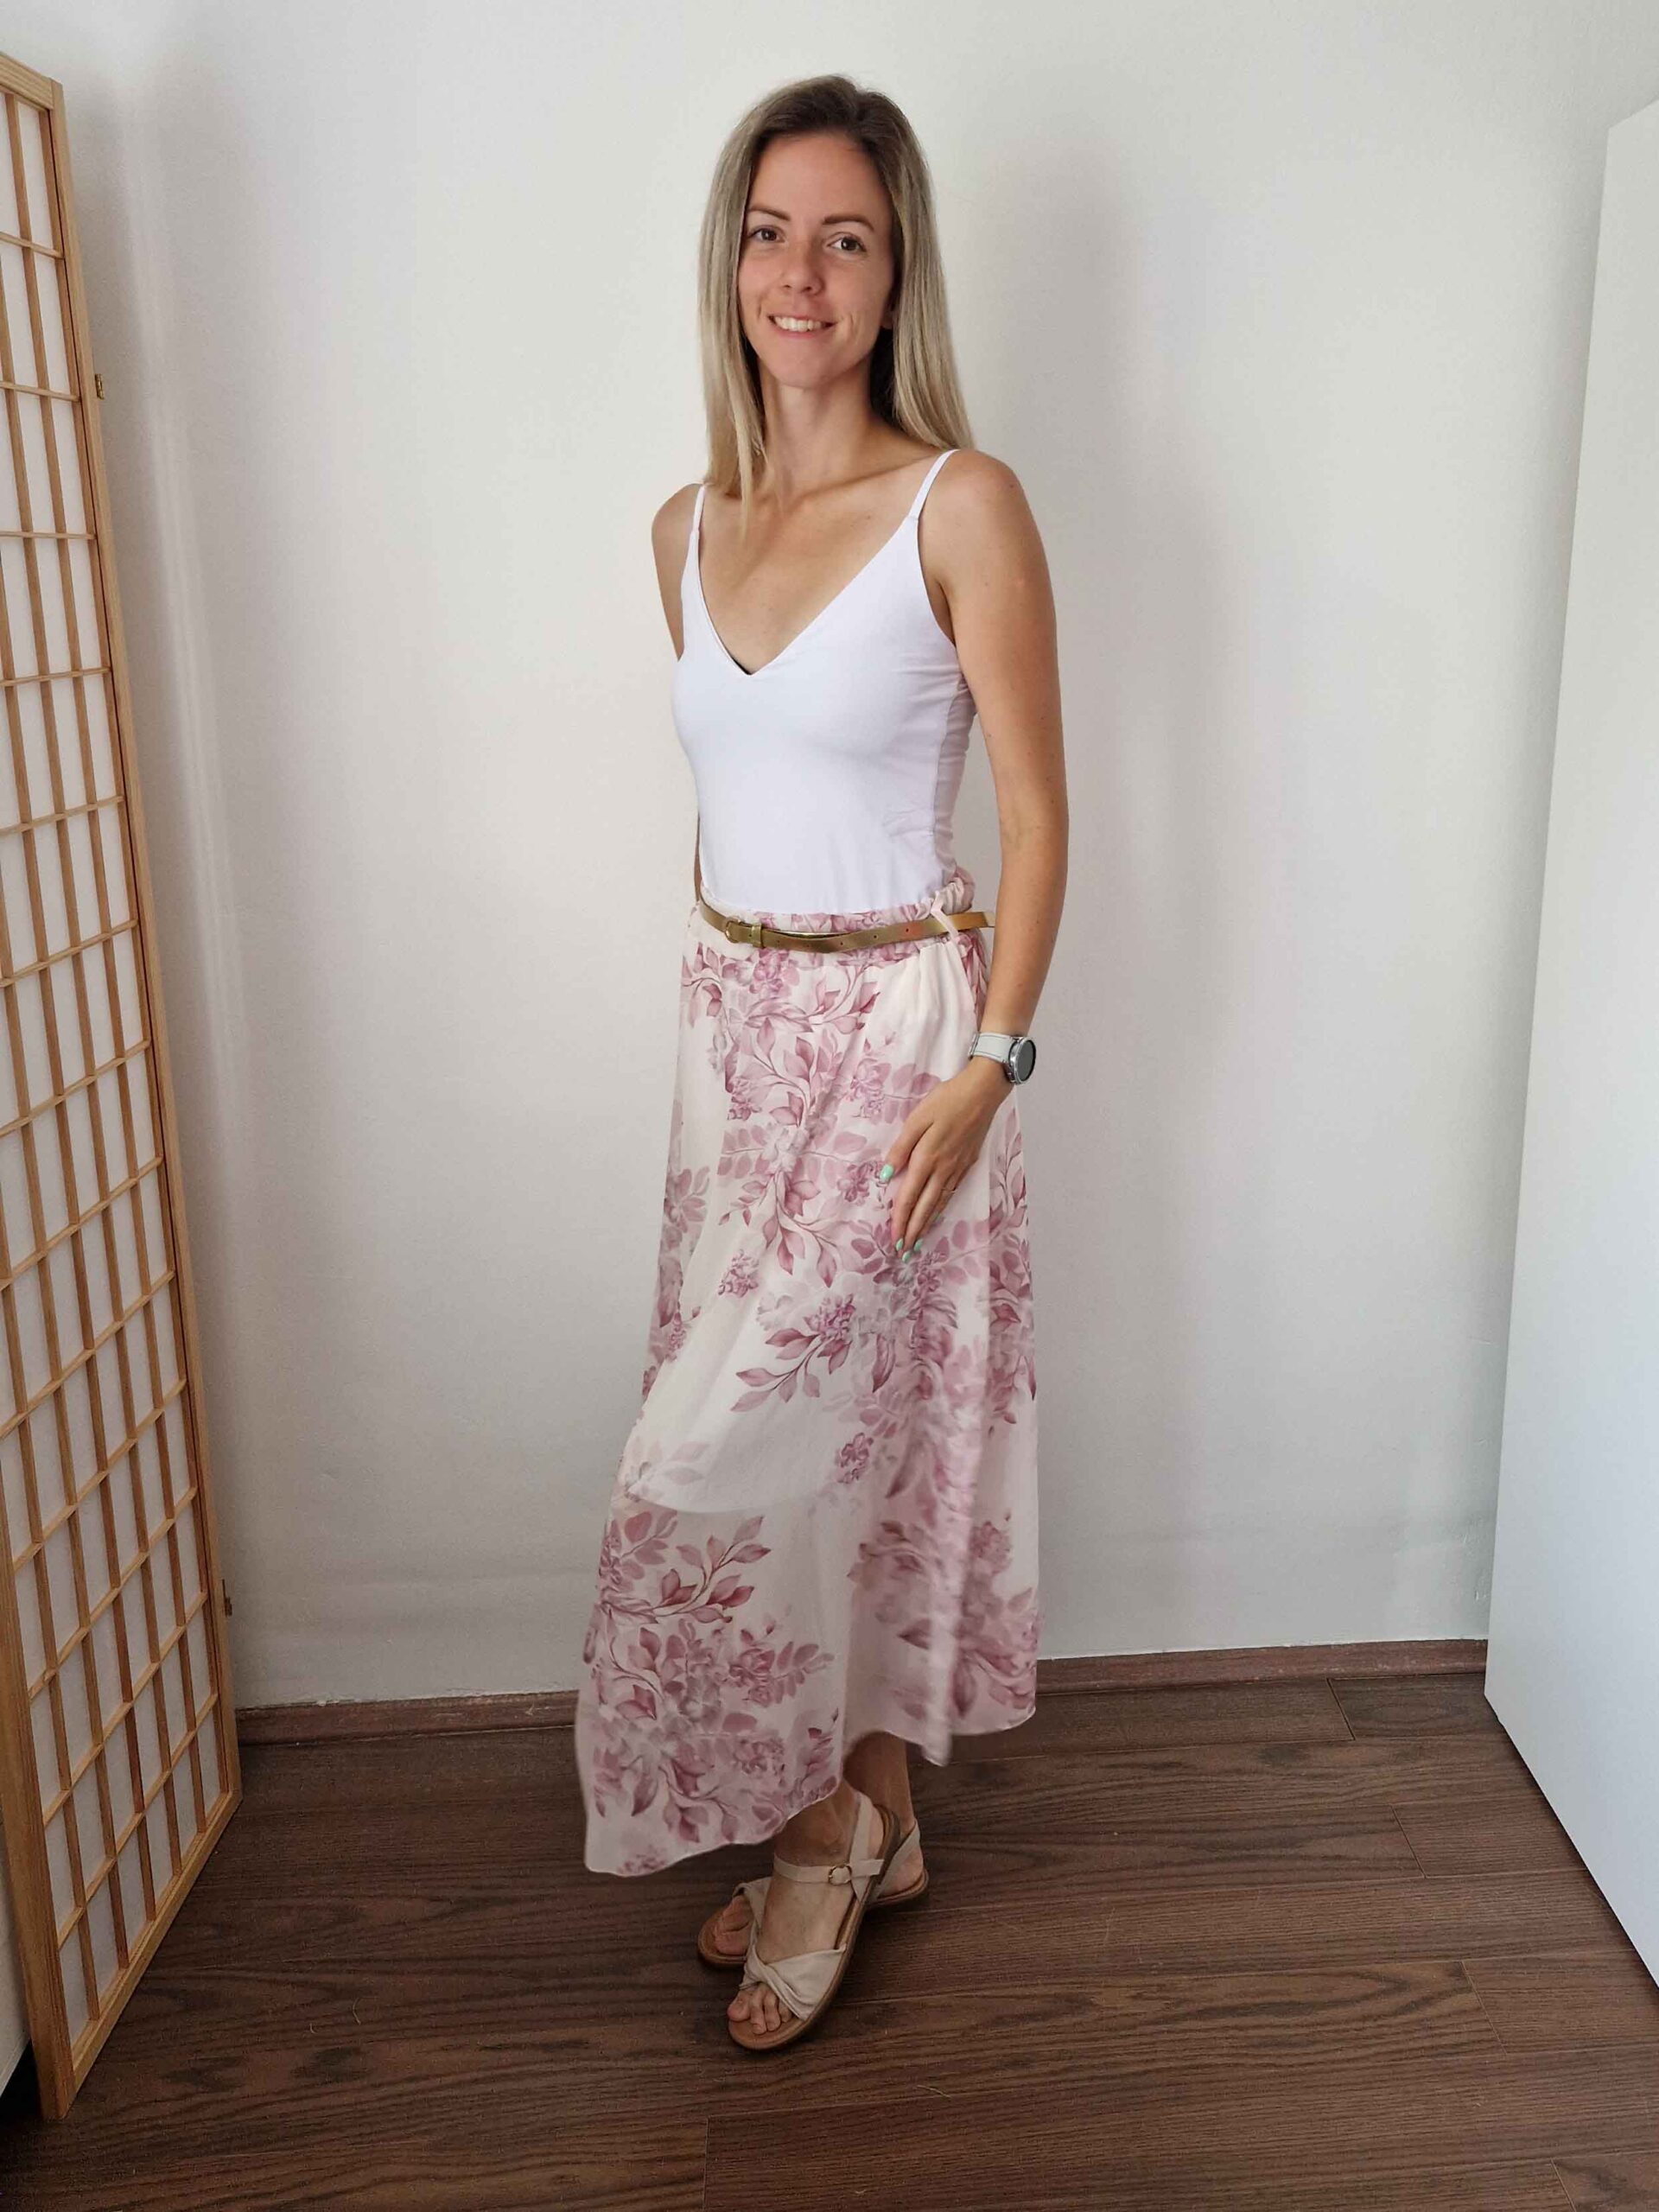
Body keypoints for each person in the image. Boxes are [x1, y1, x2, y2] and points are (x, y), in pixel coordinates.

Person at [573, 71, 1068, 2053]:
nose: (803, 273)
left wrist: (996, 1059)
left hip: (907, 1054)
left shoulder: (964, 503)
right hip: (737, 1051)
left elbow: (1039, 810)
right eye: (772, 233)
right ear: (733, 263)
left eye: (845, 237)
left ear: (894, 271)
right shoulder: (683, 528)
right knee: (794, 1458)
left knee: (774, 1463)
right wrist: (730, 1037)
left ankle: (817, 1840)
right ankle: (873, 1816)